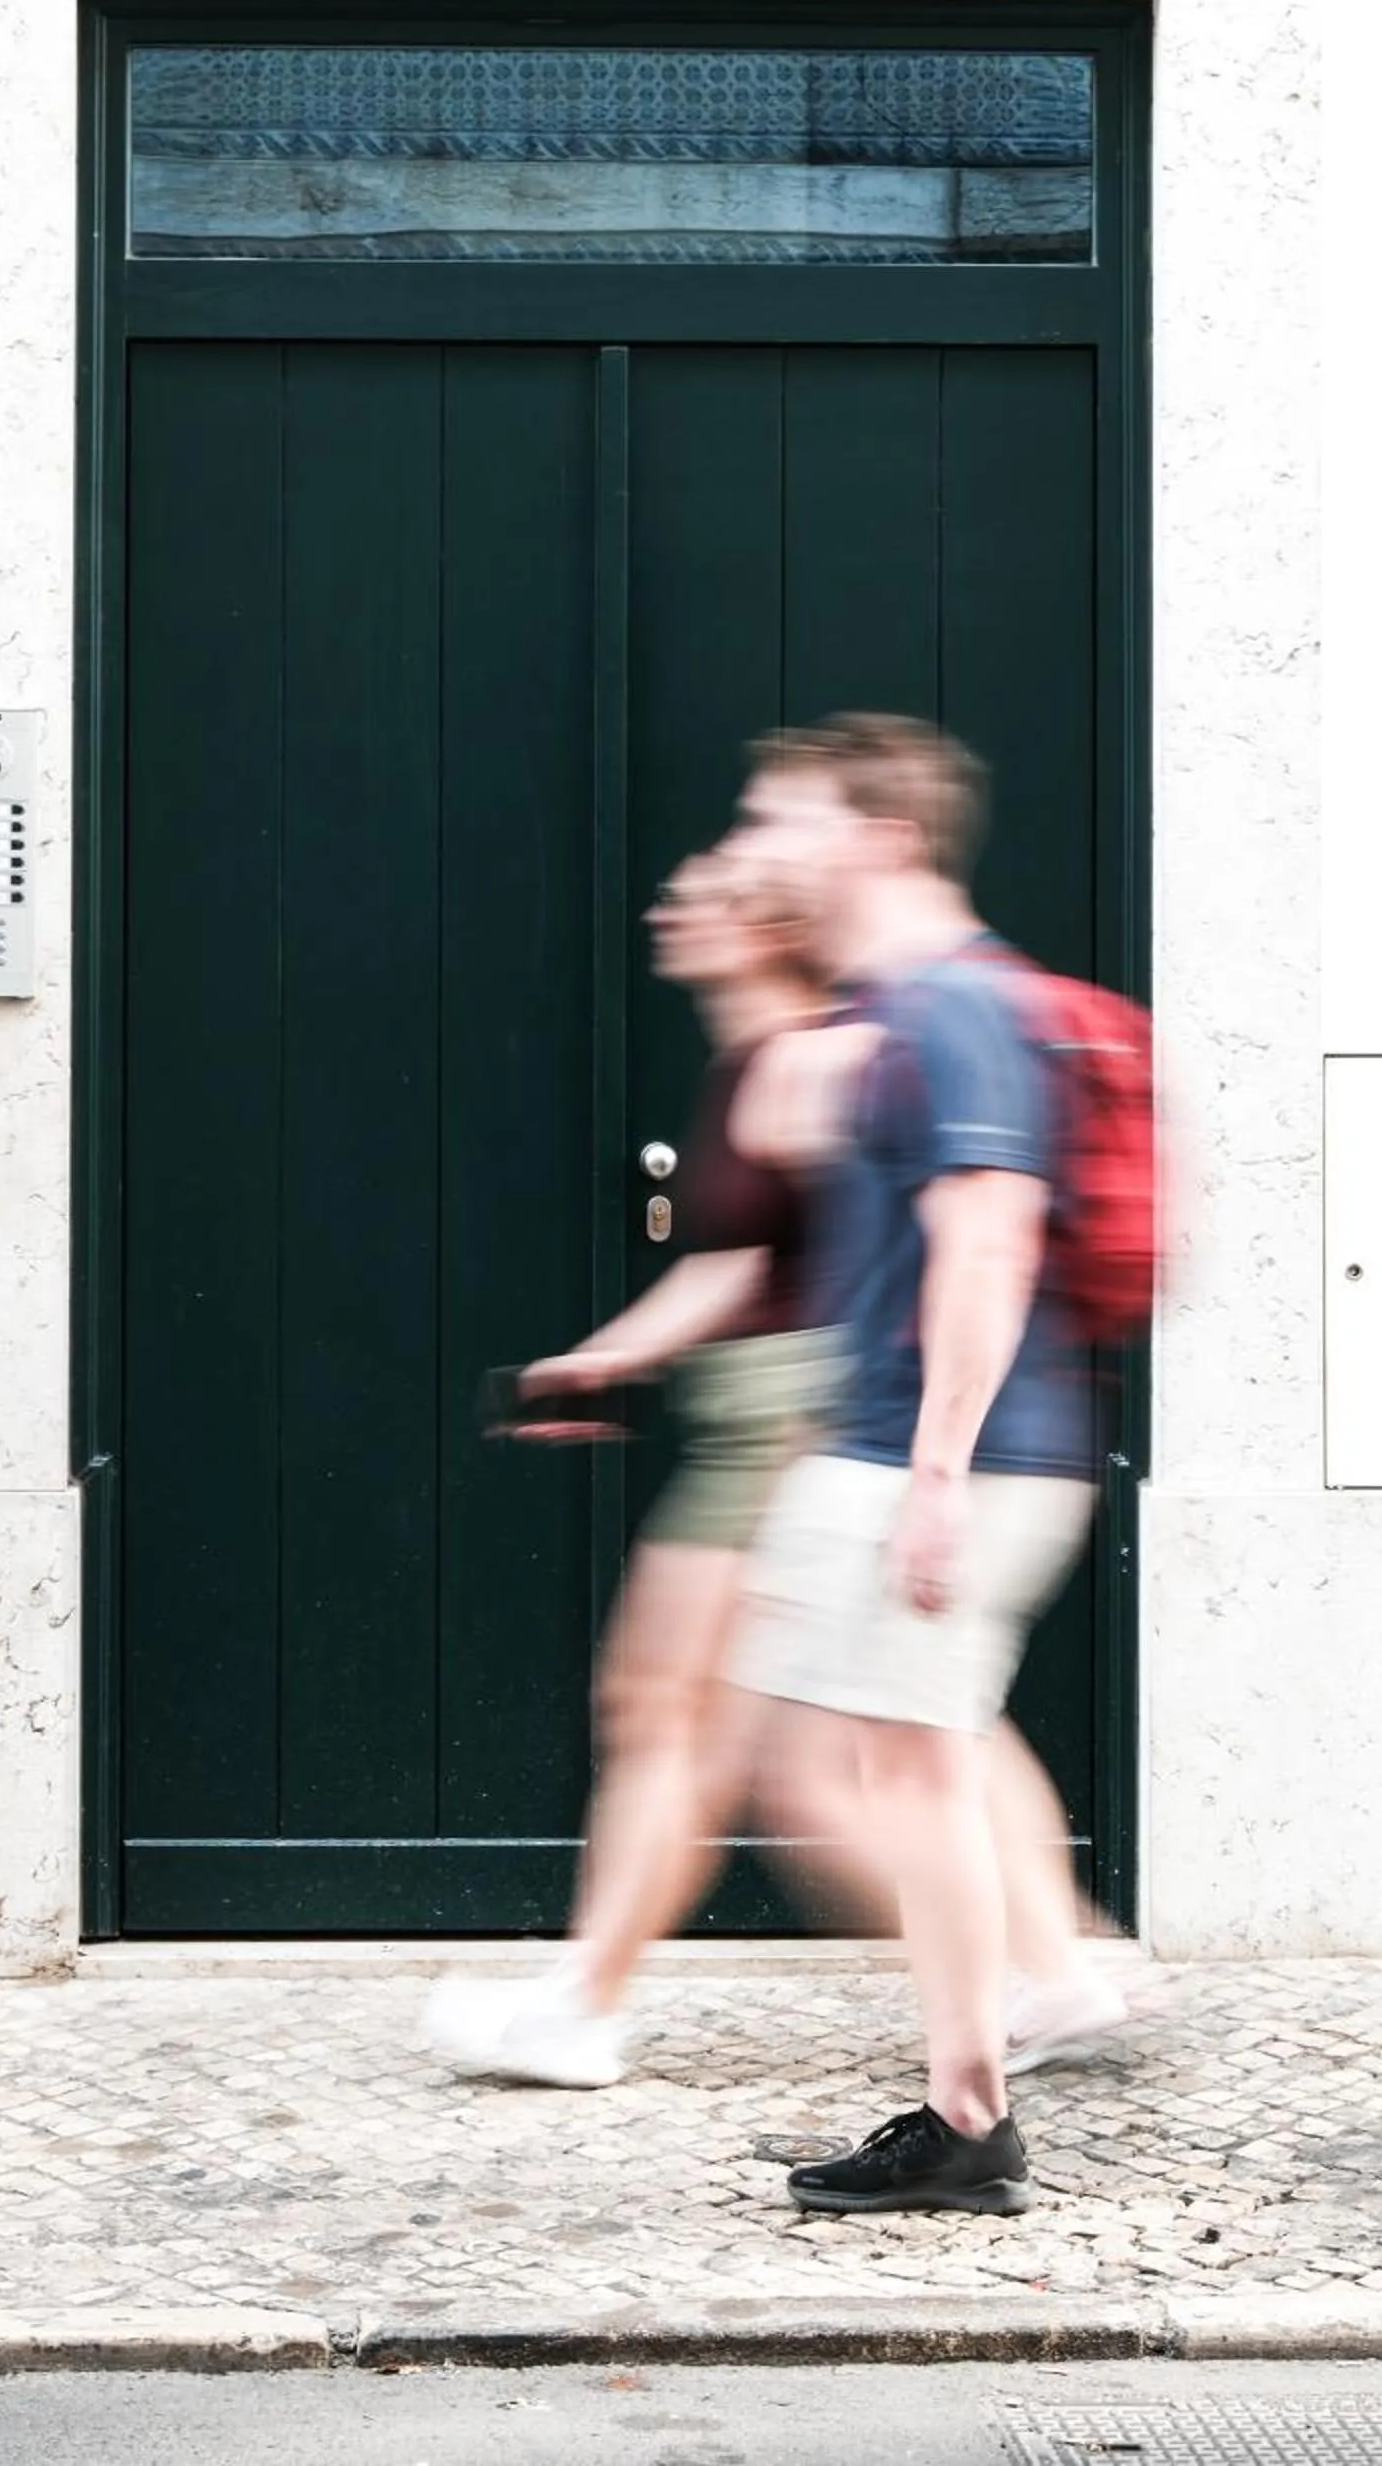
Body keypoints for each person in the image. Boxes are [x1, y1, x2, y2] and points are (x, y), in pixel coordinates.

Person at [728, 713, 1119, 2217]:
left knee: (900, 1769)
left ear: (884, 838)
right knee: (900, 1765)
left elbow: (987, 1240)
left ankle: (971, 2114)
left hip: (948, 1456)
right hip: (906, 1447)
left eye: (788, 819)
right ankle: (971, 2096)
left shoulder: (954, 1006)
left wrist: (937, 1473)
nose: (762, 845)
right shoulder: (899, 1009)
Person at [424, 852, 844, 2090]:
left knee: (687, 1719)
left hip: (785, 1423)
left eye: (696, 896)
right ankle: (1051, 1966)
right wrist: (599, 1361)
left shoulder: (813, 1062)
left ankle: (585, 2002)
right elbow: (732, 1265)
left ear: (766, 924)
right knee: (723, 1724)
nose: (664, 908)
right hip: (753, 1414)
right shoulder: (747, 1060)